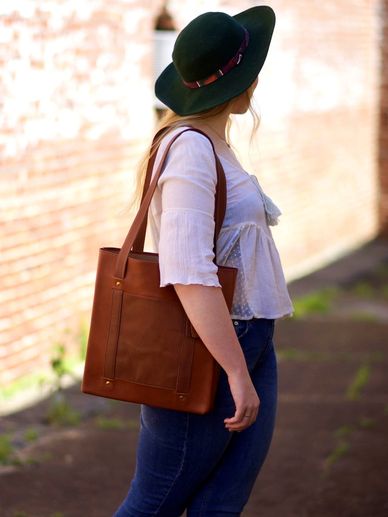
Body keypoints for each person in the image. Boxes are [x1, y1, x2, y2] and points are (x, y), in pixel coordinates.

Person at [114, 5, 293, 516]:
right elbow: (189, 271)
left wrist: (247, 363)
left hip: (250, 340)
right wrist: (235, 372)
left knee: (221, 504)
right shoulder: (189, 149)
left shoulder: (215, 143)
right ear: (240, 80)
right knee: (154, 503)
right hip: (213, 350)